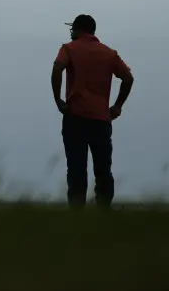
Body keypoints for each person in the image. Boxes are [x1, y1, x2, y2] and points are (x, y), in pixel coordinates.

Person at [51, 14, 134, 209]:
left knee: (76, 169)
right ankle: (104, 212)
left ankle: (77, 215)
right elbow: (128, 78)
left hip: (75, 118)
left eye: (73, 29)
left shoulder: (68, 49)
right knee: (103, 170)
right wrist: (117, 106)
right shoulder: (109, 53)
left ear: (79, 30)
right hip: (101, 120)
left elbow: (57, 68)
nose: (71, 33)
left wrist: (58, 101)